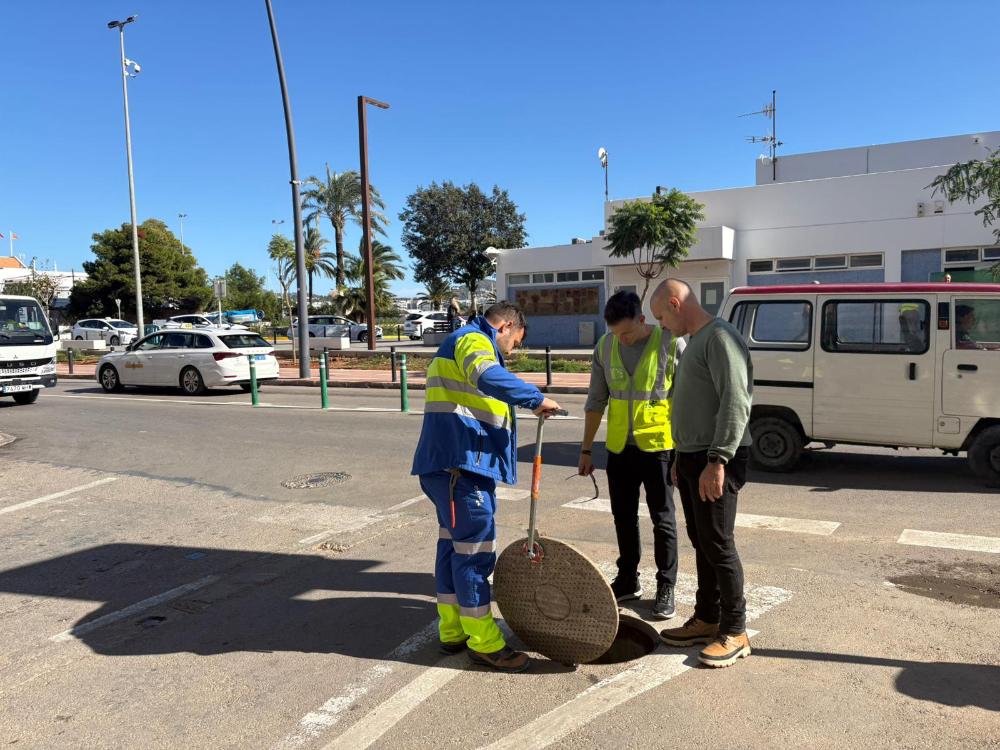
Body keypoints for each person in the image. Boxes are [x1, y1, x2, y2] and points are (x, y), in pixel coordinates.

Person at [411, 302, 561, 673]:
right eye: (515, 341)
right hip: (461, 469)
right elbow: (487, 376)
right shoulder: (474, 341)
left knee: (452, 548)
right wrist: (535, 398)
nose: (512, 350)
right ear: (507, 325)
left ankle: (453, 631)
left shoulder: (458, 342)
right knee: (475, 555)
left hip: (446, 468)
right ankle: (485, 643)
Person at [650, 279, 754, 669]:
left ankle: (736, 631)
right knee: (702, 540)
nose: (661, 325)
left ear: (676, 304)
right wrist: (681, 455)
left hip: (716, 458)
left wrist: (718, 460)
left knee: (718, 542)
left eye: (661, 316)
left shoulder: (720, 337)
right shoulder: (696, 339)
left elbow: (735, 400)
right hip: (694, 456)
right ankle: (708, 618)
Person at [578, 290, 685, 620]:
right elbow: (596, 401)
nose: (621, 340)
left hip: (659, 449)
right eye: (615, 333)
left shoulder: (670, 343)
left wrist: (683, 454)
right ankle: (628, 580)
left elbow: (684, 403)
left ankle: (666, 586)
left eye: (626, 332)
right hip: (620, 450)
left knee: (662, 520)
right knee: (622, 517)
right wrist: (586, 449)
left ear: (642, 320)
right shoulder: (605, 346)